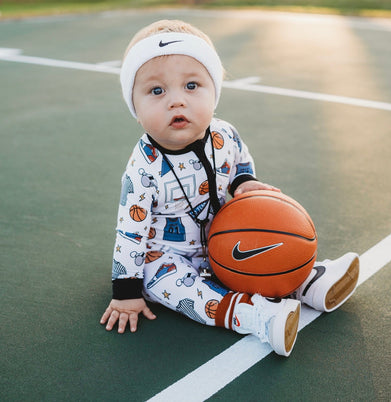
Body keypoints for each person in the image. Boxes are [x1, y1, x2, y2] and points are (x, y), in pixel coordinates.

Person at [100, 19, 360, 357]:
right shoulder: (143, 168)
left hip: (224, 239)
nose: (176, 101)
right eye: (157, 91)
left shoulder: (223, 134)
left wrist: (244, 182)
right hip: (166, 257)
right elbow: (130, 234)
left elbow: (239, 160)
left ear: (214, 92)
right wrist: (126, 291)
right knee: (183, 291)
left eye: (192, 86)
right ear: (135, 108)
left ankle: (306, 280)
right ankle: (257, 317)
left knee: (265, 239)